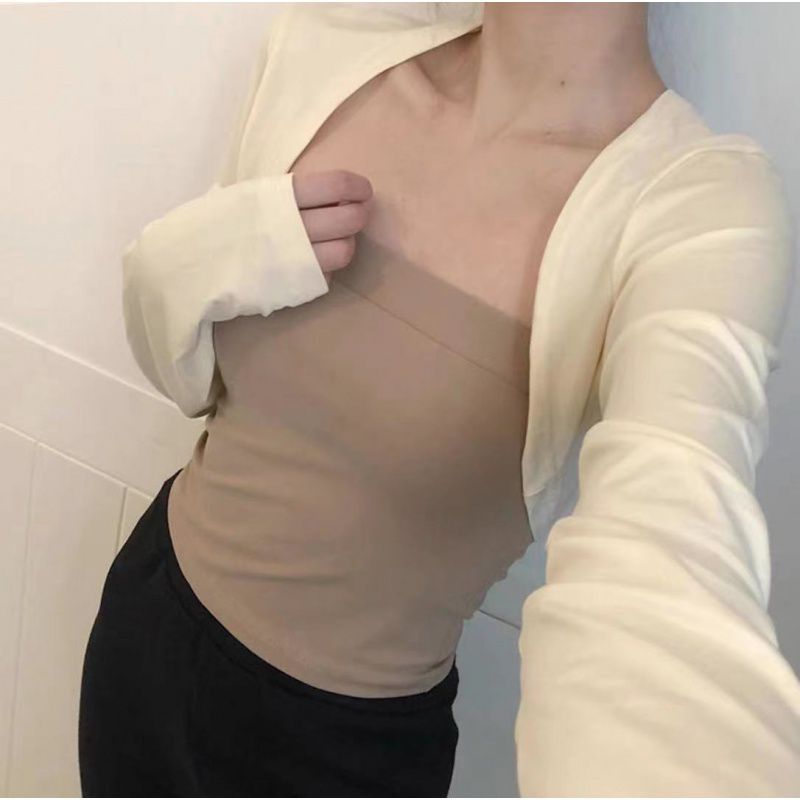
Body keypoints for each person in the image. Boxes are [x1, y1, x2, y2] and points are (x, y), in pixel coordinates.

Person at [79, 2, 800, 796]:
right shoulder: (324, 49)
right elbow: (192, 384)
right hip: (144, 635)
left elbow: (673, 531)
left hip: (341, 756)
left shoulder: (699, 208)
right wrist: (181, 262)